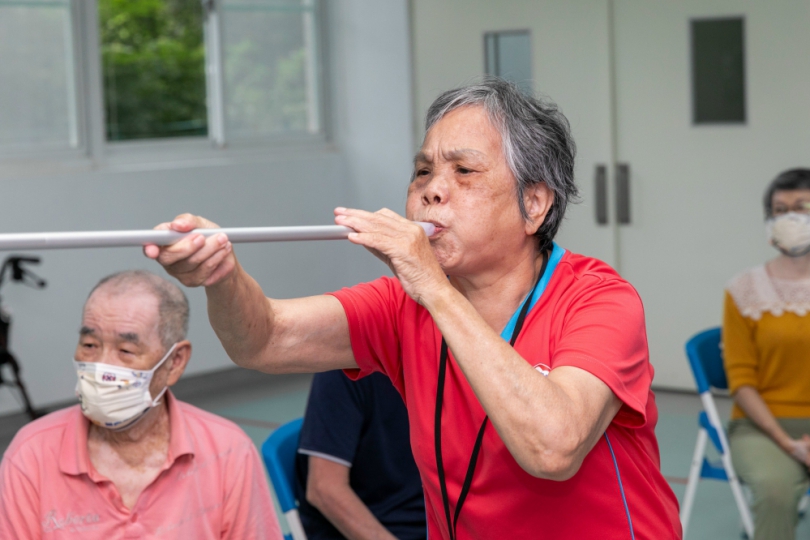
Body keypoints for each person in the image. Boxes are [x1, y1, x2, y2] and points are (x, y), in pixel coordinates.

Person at [146, 78, 681, 539]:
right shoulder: (405, 304)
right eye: (422, 172)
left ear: (534, 204)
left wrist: (432, 285)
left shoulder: (599, 299)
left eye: (464, 172)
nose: (431, 191)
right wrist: (223, 276)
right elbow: (264, 339)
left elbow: (553, 449)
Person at [0, 270, 282, 540]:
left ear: (175, 362)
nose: (101, 365)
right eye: (89, 345)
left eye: (126, 351)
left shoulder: (228, 452)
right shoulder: (31, 454)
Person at [723, 168, 810, 540]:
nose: (790, 217)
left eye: (802, 207)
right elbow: (741, 381)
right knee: (775, 491)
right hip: (761, 427)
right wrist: (787, 442)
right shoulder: (743, 290)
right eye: (780, 209)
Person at [295, 371, 426, 540]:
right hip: (382, 531)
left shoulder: (436, 365)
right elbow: (323, 489)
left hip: (435, 524)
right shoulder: (341, 373)